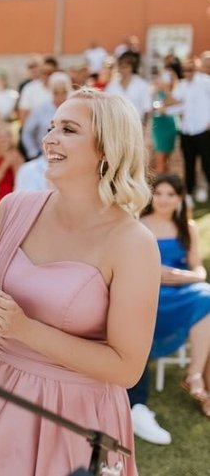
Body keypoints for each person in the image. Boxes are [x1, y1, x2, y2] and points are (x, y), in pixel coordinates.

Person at [0, 88, 160, 476]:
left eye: (68, 129)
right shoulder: (12, 208)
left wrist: (23, 328)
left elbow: (127, 369)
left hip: (75, 411)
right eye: (51, 127)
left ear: (106, 149)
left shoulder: (132, 243)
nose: (49, 138)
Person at [127, 174, 210, 444]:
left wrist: (184, 275)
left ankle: (194, 374)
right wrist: (155, 272)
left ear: (179, 198)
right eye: (159, 193)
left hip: (183, 290)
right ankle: (196, 380)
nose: (163, 199)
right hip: (150, 293)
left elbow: (198, 269)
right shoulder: (140, 224)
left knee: (206, 295)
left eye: (170, 194)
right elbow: (131, 269)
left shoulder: (186, 226)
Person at [161, 56, 210, 202]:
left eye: (190, 69)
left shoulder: (206, 82)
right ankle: (189, 193)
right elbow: (174, 102)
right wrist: (165, 88)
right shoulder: (182, 85)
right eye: (185, 70)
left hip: (203, 129)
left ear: (196, 68)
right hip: (187, 130)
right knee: (189, 163)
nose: (187, 72)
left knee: (208, 163)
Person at [21, 72, 71, 161]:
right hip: (44, 158)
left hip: (69, 157)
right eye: (56, 92)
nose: (60, 95)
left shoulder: (74, 109)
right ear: (51, 91)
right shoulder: (40, 110)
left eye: (64, 91)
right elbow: (27, 133)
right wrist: (34, 153)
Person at [105, 52, 151, 123]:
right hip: (116, 125)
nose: (122, 69)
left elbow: (147, 109)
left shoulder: (142, 85)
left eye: (125, 66)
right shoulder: (112, 85)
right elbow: (106, 107)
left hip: (137, 124)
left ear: (131, 67)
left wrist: (145, 129)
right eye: (121, 66)